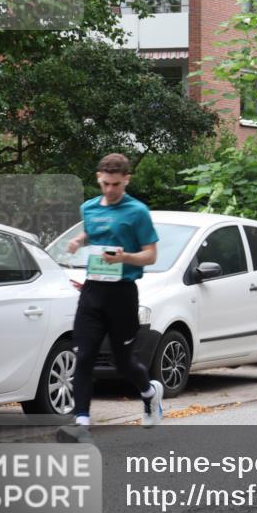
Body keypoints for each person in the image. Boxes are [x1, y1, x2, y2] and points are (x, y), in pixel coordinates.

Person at [61, 153, 162, 441]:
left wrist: (125, 257)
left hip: (122, 293)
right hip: (93, 290)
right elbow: (92, 232)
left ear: (126, 179)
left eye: (115, 184)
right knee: (83, 356)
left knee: (123, 362)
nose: (109, 190)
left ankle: (150, 393)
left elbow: (151, 255)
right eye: (105, 183)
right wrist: (79, 240)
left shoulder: (138, 212)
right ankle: (81, 424)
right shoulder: (89, 208)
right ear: (98, 178)